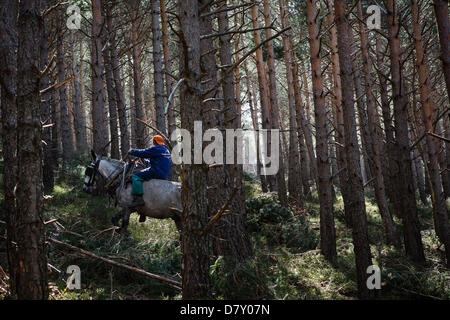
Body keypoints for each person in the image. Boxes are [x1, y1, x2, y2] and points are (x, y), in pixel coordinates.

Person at [128, 135, 171, 221]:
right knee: (146, 169)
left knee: (135, 176)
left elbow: (144, 152)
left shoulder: (156, 148)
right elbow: (156, 158)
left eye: (153, 141)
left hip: (156, 172)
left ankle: (139, 198)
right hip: (165, 174)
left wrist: (132, 151)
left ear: (154, 141)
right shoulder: (165, 149)